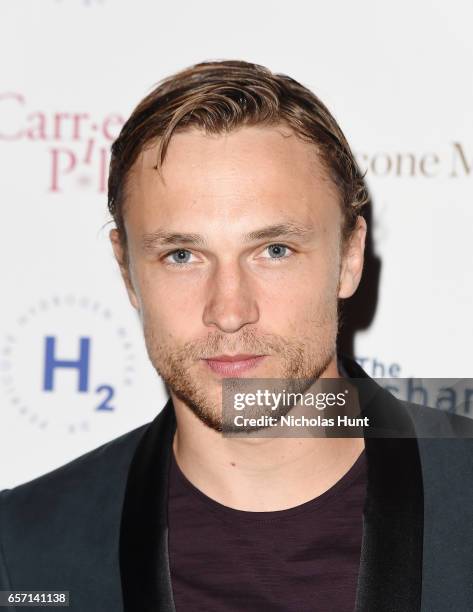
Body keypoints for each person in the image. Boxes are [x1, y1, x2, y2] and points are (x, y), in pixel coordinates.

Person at [1, 60, 472, 612]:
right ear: (127, 270)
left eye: (274, 251)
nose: (228, 311)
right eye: (182, 255)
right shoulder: (25, 555)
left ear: (348, 257)